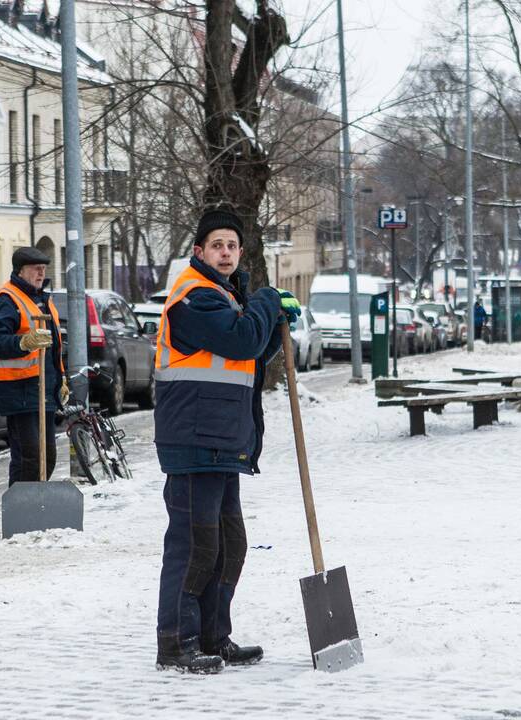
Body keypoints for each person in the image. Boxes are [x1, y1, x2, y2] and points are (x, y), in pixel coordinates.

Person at [153, 208, 301, 674]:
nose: (225, 253)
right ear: (199, 251)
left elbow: (247, 356)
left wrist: (275, 331)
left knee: (228, 544)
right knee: (195, 546)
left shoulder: (224, 297)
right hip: (194, 439)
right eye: (217, 245)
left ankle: (215, 638)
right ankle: (176, 644)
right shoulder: (194, 297)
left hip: (221, 439)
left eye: (232, 246)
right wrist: (265, 302)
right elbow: (238, 341)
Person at [0, 247, 68, 487]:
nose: (41, 274)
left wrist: (60, 381)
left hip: (43, 391)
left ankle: (33, 508)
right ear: (20, 271)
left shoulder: (42, 300)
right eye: (36, 269)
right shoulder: (6, 300)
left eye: (43, 269)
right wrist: (23, 342)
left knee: (47, 457)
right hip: (20, 390)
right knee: (29, 457)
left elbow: (53, 351)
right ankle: (20, 514)